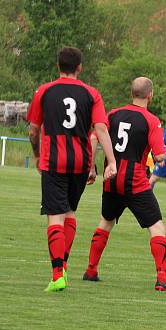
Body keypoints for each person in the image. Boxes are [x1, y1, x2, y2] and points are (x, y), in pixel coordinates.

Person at [27, 47, 117, 293]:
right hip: (80, 163)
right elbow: (100, 129)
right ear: (80, 67)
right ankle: (64, 265)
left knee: (55, 216)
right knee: (69, 212)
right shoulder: (91, 94)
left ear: (58, 66)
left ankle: (58, 274)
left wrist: (36, 154)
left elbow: (34, 130)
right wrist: (111, 161)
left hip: (54, 161)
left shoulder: (44, 91)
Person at [84, 77, 166, 292]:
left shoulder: (113, 114)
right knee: (157, 226)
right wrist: (163, 154)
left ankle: (91, 270)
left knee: (105, 222)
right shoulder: (151, 120)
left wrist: (91, 167)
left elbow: (93, 138)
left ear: (131, 94)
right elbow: (159, 156)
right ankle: (162, 278)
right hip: (135, 180)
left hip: (112, 177)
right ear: (150, 95)